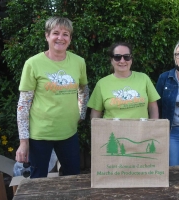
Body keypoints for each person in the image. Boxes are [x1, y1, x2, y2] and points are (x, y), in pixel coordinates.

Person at [15, 17, 89, 178]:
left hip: (69, 132)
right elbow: (24, 104)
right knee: (38, 179)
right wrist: (23, 142)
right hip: (40, 134)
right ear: (47, 36)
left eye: (65, 34)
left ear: (70, 39)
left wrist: (81, 113)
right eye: (55, 33)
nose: (60, 38)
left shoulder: (79, 62)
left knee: (73, 177)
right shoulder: (33, 64)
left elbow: (84, 89)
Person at [88, 42, 160, 119]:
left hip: (141, 130)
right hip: (112, 130)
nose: (122, 61)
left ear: (131, 59)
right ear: (111, 60)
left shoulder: (144, 78)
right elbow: (95, 114)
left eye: (126, 57)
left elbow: (153, 107)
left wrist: (153, 128)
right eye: (117, 57)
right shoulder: (102, 84)